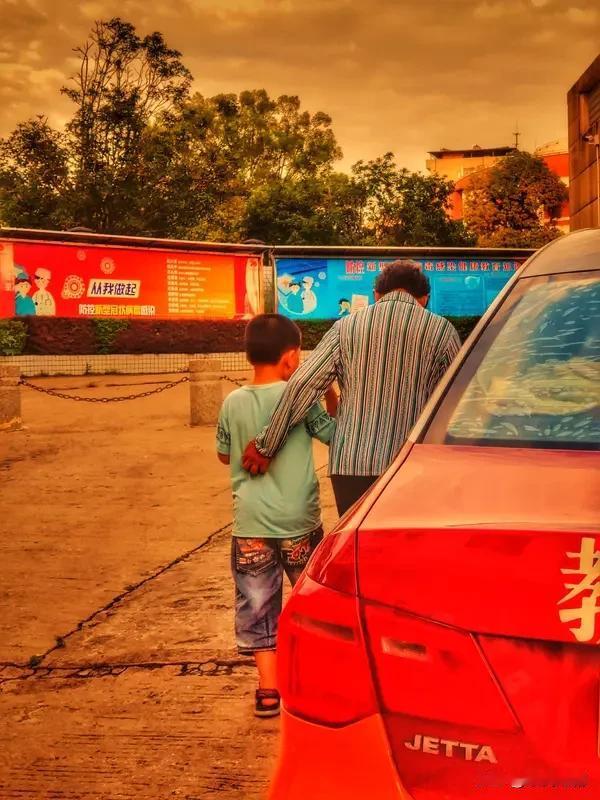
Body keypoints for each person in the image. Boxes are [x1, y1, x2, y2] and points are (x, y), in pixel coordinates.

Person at [242, 260, 461, 515]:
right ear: (424, 298)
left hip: (351, 465)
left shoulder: (345, 327)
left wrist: (266, 445)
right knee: (404, 539)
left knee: (356, 539)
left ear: (376, 294)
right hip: (411, 465)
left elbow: (303, 383)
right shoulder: (442, 331)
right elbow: (459, 399)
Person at [216, 314, 337, 718]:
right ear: (291, 358)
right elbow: (333, 435)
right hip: (299, 521)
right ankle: (314, 681)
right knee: (311, 600)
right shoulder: (300, 399)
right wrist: (330, 393)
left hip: (250, 524)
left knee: (257, 604)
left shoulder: (233, 402)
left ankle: (268, 691)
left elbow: (224, 455)